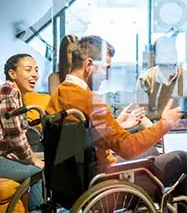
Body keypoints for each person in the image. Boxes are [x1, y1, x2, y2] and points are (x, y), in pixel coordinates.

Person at [46, 35, 187, 201]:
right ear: (89, 65)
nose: (107, 76)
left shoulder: (59, 94)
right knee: (182, 158)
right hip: (106, 184)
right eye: (105, 68)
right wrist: (165, 124)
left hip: (71, 183)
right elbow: (128, 148)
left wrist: (117, 124)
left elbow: (79, 138)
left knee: (152, 151)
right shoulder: (91, 101)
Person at [0, 54, 44, 212]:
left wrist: (9, 152)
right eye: (28, 69)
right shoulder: (8, 92)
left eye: (36, 70)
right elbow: (16, 136)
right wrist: (32, 159)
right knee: (40, 171)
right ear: (13, 74)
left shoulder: (15, 94)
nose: (35, 75)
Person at [136, 31, 186, 121]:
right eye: (165, 54)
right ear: (155, 56)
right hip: (154, 130)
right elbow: (142, 116)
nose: (170, 57)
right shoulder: (145, 79)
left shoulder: (185, 76)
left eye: (173, 52)